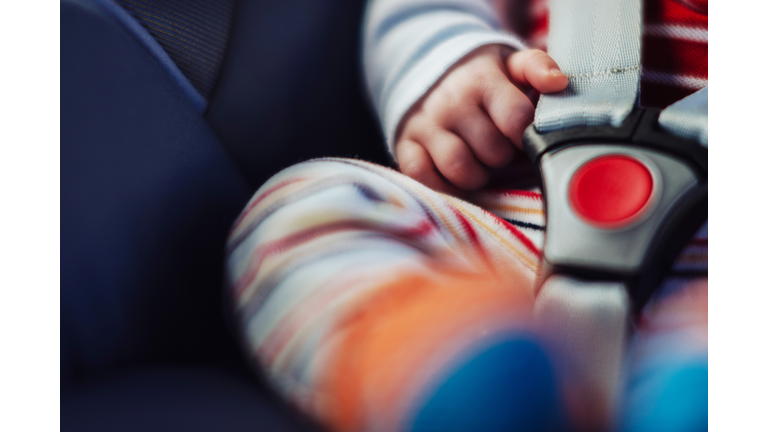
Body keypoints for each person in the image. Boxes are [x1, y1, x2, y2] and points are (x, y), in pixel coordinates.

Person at [225, 0, 707, 431]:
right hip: (506, 246)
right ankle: (434, 360)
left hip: (705, 302)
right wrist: (451, 66)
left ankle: (696, 393)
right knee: (310, 204)